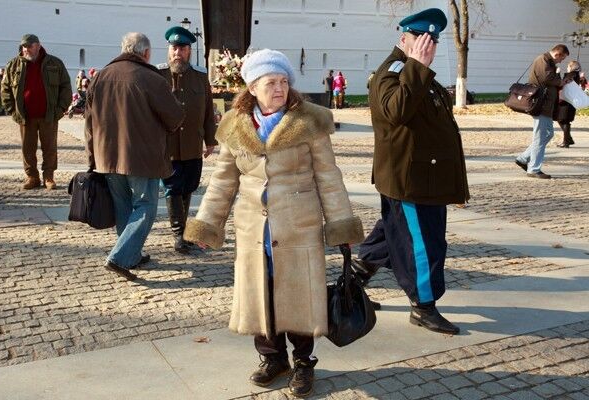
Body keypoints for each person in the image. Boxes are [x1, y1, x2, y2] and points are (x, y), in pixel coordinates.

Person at [183, 49, 363, 397]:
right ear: (252, 87)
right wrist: (208, 224)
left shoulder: (309, 121)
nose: (279, 88)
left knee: (298, 294)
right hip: (253, 229)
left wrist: (341, 224)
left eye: (283, 81)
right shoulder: (235, 126)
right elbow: (223, 181)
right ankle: (272, 358)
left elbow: (328, 177)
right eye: (271, 82)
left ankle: (303, 362)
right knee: (261, 294)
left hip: (299, 226)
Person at [365, 8, 469, 335]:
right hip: (411, 182)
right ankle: (423, 307)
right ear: (403, 39)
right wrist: (417, 66)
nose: (426, 47)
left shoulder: (417, 72)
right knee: (424, 245)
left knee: (392, 234)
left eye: (431, 42)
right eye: (419, 40)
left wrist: (419, 68)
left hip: (425, 179)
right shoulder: (391, 74)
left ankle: (354, 278)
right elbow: (396, 110)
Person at [85, 32, 184, 281]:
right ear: (146, 53)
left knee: (123, 207)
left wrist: (91, 159)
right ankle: (119, 257)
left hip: (107, 156)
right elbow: (174, 117)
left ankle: (132, 255)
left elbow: (88, 124)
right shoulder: (151, 78)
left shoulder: (100, 77)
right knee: (145, 207)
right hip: (142, 157)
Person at [157, 26, 217, 254]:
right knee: (172, 188)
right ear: (168, 50)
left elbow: (208, 111)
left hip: (193, 143)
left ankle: (182, 231)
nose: (177, 53)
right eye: (174, 48)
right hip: (168, 145)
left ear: (189, 51)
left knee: (188, 187)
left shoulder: (201, 77)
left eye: (182, 48)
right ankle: (178, 234)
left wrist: (211, 140)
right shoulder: (159, 75)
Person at [1, 34, 72, 190]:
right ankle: (32, 177)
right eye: (24, 46)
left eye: (29, 46)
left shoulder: (55, 63)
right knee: (28, 148)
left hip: (49, 115)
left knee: (50, 148)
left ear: (38, 46)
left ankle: (49, 177)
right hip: (25, 116)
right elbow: (5, 89)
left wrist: (60, 110)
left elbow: (66, 87)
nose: (26, 49)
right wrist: (13, 111)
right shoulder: (14, 65)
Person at [515, 44, 570, 179]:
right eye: (561, 59)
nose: (561, 62)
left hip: (546, 105)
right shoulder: (543, 60)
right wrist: (561, 81)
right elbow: (547, 79)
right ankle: (534, 168)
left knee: (548, 134)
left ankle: (523, 158)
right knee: (540, 136)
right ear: (557, 54)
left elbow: (549, 78)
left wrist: (559, 78)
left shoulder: (548, 61)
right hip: (540, 104)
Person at [556, 60, 581, 148]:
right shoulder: (576, 75)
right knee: (562, 120)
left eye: (568, 66)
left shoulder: (570, 75)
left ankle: (566, 141)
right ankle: (568, 139)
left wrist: (558, 74)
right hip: (569, 101)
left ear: (571, 67)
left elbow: (561, 84)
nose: (566, 68)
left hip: (566, 102)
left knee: (563, 120)